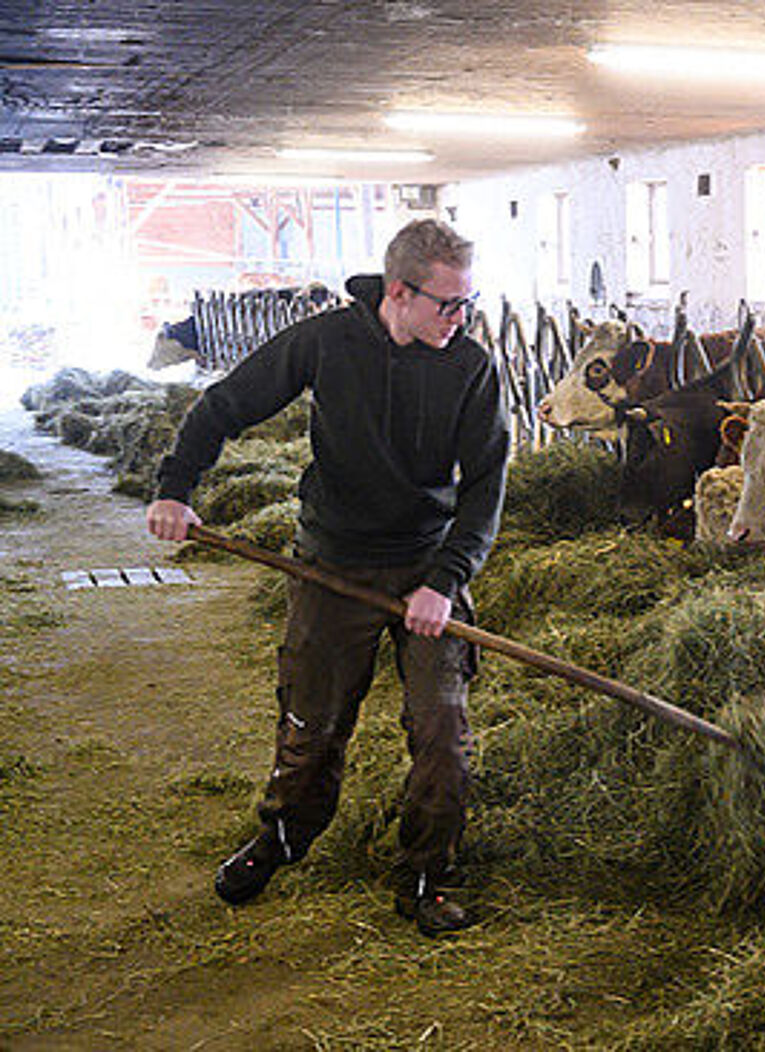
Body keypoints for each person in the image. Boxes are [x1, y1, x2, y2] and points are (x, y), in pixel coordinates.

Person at [146, 219, 509, 936]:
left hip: (426, 569)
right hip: (332, 561)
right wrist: (175, 487)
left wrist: (445, 579)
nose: (461, 319)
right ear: (399, 294)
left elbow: (487, 486)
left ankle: (428, 874)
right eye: (448, 304)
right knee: (311, 722)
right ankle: (283, 835)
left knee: (443, 730)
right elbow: (225, 404)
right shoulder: (326, 341)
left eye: (468, 303)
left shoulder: (471, 365)